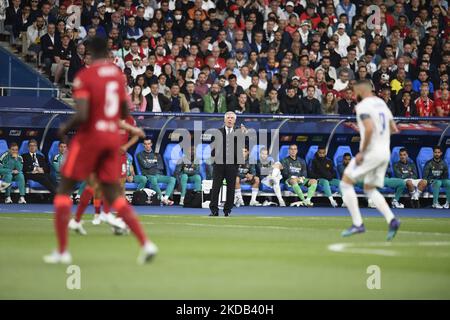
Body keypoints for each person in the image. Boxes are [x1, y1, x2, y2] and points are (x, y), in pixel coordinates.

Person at [43, 37, 157, 265]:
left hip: (90, 137)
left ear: (88, 53)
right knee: (113, 192)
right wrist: (123, 125)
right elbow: (124, 109)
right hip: (111, 139)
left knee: (64, 187)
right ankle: (145, 243)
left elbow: (83, 115)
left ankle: (63, 250)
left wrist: (65, 127)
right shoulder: (117, 76)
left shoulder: (84, 77)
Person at [340, 79, 401, 240]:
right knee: (369, 188)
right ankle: (392, 220)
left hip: (371, 152)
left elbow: (368, 128)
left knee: (345, 183)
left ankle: (358, 224)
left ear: (361, 90)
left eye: (354, 91)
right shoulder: (381, 103)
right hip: (384, 152)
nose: (353, 94)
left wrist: (363, 151)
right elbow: (394, 129)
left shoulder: (363, 106)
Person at [209, 111, 247, 216]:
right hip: (219, 164)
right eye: (228, 118)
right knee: (216, 187)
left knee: (231, 188)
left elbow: (243, 146)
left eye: (232, 118)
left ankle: (227, 210)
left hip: (232, 164)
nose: (230, 119)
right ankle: (214, 210)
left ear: (234, 120)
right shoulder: (217, 132)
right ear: (224, 120)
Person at [137, 137, 175, 205]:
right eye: (145, 144)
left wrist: (149, 164)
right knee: (153, 179)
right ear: (143, 145)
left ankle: (165, 198)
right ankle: (162, 198)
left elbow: (161, 167)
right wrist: (155, 163)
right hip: (148, 175)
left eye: (148, 144)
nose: (147, 146)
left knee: (172, 179)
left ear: (151, 144)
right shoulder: (140, 154)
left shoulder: (157, 155)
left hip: (158, 175)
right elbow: (145, 166)